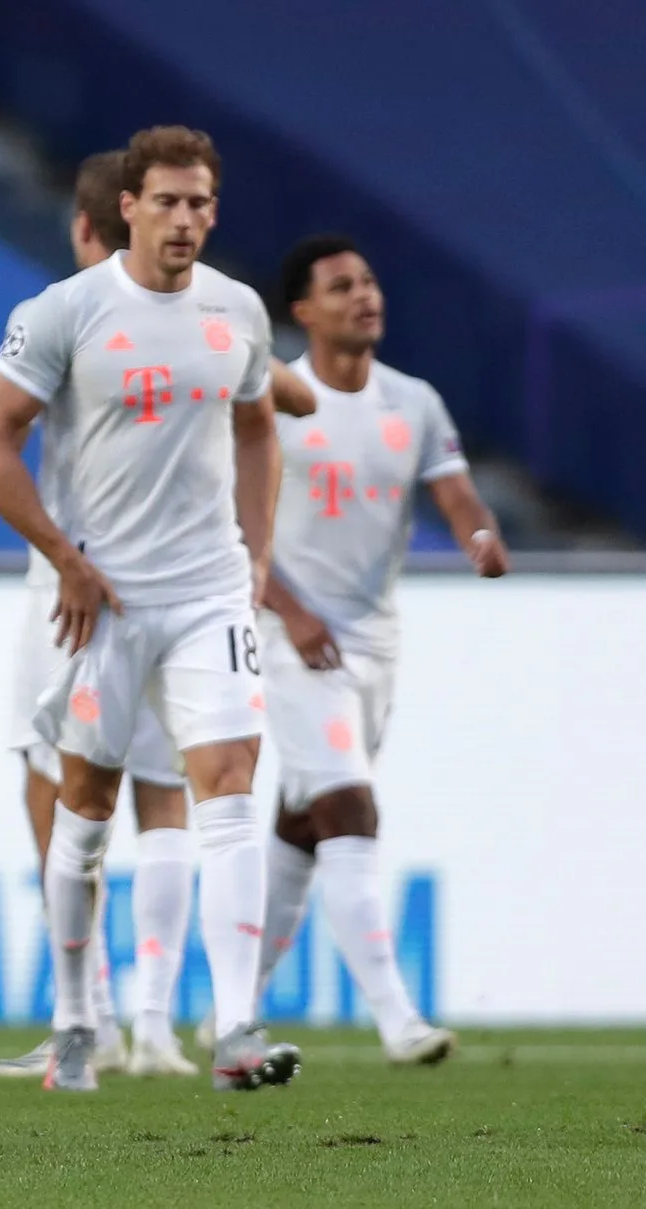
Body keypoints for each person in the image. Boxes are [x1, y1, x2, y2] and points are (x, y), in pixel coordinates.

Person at [0, 149, 319, 1081]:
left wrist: (257, 554)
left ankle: (234, 1029)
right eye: (166, 202)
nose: (184, 219)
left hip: (205, 594)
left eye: (199, 203)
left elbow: (260, 424)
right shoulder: (65, 312)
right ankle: (77, 1017)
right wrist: (62, 557)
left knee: (226, 785)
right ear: (128, 206)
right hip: (101, 600)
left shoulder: (235, 310)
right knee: (84, 811)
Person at [232, 233, 506, 1063]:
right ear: (304, 311)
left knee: (304, 823)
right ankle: (397, 1020)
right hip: (288, 636)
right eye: (342, 285)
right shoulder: (275, 400)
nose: (365, 295)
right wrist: (291, 608)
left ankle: (234, 1012)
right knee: (349, 804)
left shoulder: (411, 401)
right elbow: (233, 527)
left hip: (372, 643)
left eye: (370, 281)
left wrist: (481, 538)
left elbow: (455, 494)